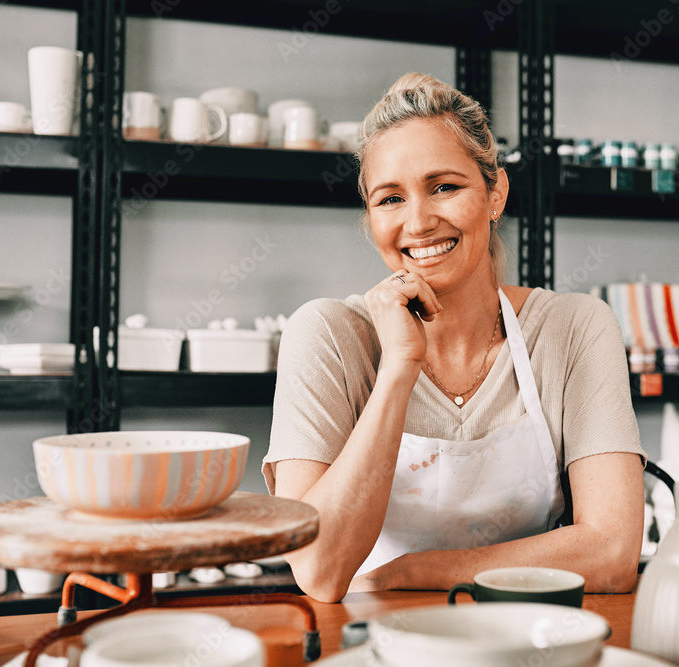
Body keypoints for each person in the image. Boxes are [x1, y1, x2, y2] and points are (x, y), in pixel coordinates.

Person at [263, 73, 645, 604]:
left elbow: (612, 553)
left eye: (444, 187)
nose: (418, 222)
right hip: (374, 645)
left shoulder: (575, 328)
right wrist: (399, 366)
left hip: (531, 637)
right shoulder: (328, 336)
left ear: (496, 193)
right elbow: (321, 570)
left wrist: (420, 570)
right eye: (390, 198)